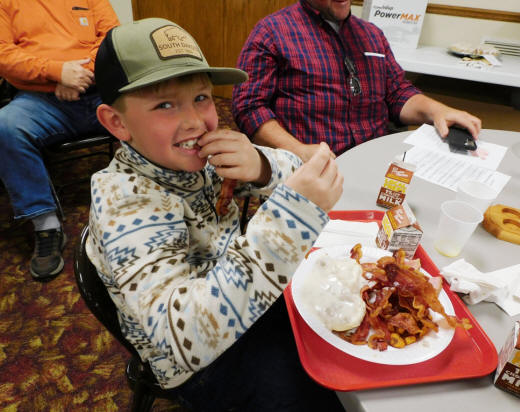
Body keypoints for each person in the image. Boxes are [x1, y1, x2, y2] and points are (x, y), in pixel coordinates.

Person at [88, 18, 345, 411]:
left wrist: (260, 165)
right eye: (165, 105)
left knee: (339, 335)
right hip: (198, 363)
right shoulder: (125, 200)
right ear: (117, 122)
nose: (196, 121)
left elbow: (300, 172)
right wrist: (289, 221)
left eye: (202, 97)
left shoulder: (199, 157)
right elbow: (182, 339)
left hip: (242, 294)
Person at [232, 0, 482, 161]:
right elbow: (249, 107)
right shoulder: (271, 33)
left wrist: (438, 111)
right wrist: (297, 151)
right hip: (315, 170)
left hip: (377, 163)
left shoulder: (371, 35)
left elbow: (397, 93)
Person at [0, 0, 119, 280]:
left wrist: (80, 75)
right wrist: (56, 72)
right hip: (42, 100)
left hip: (101, 92)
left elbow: (113, 38)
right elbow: (4, 55)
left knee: (149, 108)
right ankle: (46, 226)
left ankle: (154, 197)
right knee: (4, 126)